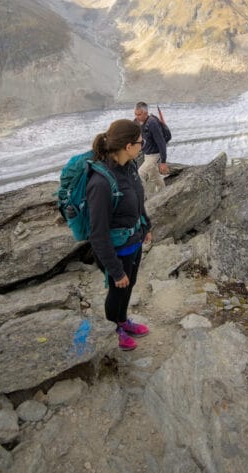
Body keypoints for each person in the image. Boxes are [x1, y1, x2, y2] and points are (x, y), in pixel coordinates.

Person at [87, 118, 152, 350]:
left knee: (130, 283)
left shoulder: (130, 167)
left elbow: (137, 199)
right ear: (128, 146)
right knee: (118, 289)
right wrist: (114, 270)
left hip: (133, 242)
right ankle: (113, 330)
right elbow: (97, 234)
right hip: (117, 250)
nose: (142, 145)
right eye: (140, 142)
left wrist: (146, 227)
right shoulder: (101, 184)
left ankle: (123, 321)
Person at [133, 101, 168, 195]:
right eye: (135, 114)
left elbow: (161, 142)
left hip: (154, 154)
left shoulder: (152, 123)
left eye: (139, 114)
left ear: (145, 113)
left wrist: (163, 161)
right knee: (154, 176)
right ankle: (163, 193)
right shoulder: (136, 121)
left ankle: (142, 199)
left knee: (140, 174)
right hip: (146, 154)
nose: (137, 116)